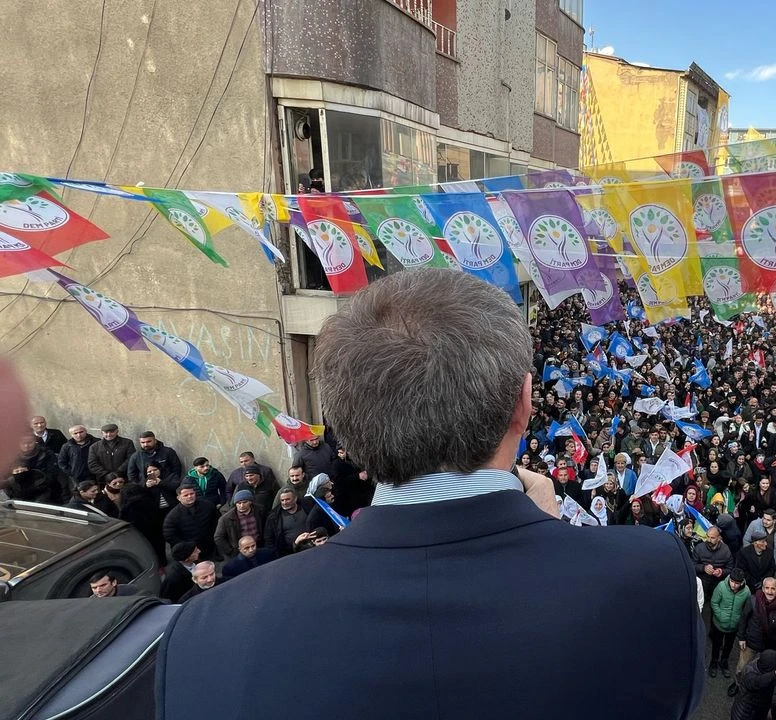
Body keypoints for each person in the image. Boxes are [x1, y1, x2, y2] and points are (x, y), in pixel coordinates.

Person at [156, 269, 704, 719]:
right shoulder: (653, 581)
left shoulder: (209, 631)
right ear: (524, 405)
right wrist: (555, 538)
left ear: (343, 428)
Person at [737, 576, 776, 676]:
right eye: (767, 588)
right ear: (763, 589)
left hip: (770, 649)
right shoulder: (752, 600)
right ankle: (739, 686)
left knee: (765, 673)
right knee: (742, 669)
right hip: (751, 644)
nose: (770, 591)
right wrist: (741, 637)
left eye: (773, 588)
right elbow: (744, 618)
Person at [708, 568, 751, 678]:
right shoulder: (721, 587)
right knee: (716, 645)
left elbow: (747, 609)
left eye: (737, 583)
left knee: (728, 646)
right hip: (719, 624)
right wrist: (721, 616)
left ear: (741, 582)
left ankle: (724, 662)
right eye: (732, 581)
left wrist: (740, 620)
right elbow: (714, 603)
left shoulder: (746, 592)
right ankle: (714, 663)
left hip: (734, 626)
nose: (734, 585)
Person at [162, 482, 220, 560]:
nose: (190, 496)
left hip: (209, 545)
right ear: (179, 498)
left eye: (192, 493)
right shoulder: (172, 517)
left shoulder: (208, 505)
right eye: (186, 495)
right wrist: (187, 546)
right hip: (191, 551)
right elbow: (169, 535)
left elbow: (217, 520)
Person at [730, 650, 776, 720]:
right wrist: (775, 673)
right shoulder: (750, 674)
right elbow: (758, 682)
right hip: (745, 714)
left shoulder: (761, 663)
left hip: (755, 711)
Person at [214, 489, 264, 559]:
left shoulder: (260, 511)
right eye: (238, 503)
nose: (241, 505)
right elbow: (218, 537)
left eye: (244, 502)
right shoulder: (226, 519)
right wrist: (231, 551)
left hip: (259, 546)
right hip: (240, 551)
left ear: (250, 502)